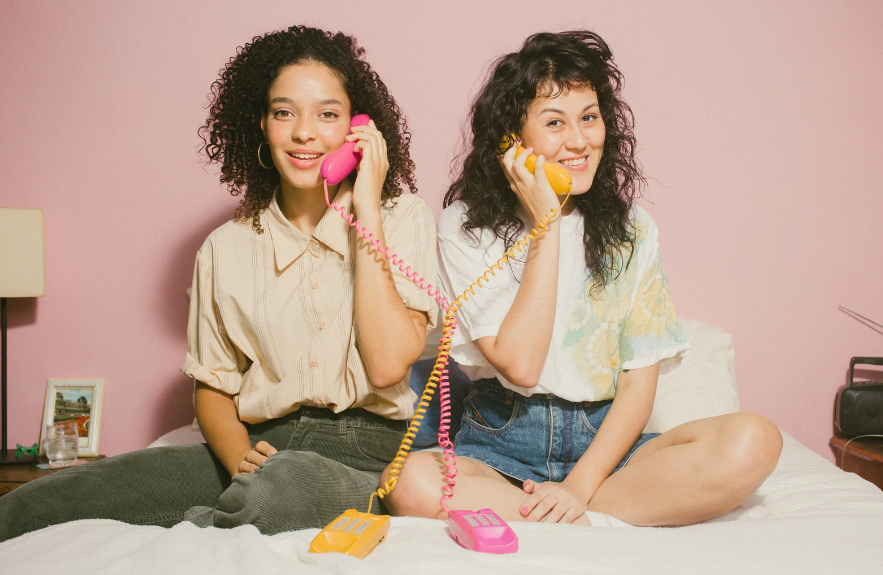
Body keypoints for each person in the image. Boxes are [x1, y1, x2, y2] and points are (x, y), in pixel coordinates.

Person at [0, 25, 436, 541]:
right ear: (262, 125)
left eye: (327, 114)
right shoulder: (223, 248)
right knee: (52, 499)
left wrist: (367, 208)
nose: (303, 133)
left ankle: (202, 532)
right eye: (283, 112)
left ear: (358, 129)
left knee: (279, 492)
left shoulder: (400, 217)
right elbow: (212, 388)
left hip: (365, 453)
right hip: (258, 444)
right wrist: (238, 459)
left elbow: (388, 366)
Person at [382, 30, 782, 527]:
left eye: (589, 118)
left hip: (607, 451)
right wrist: (545, 225)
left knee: (756, 440)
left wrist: (580, 485)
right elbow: (522, 367)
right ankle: (584, 520)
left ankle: (576, 512)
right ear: (512, 139)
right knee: (409, 482)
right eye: (555, 123)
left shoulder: (632, 229)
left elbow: (638, 383)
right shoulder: (465, 226)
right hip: (502, 444)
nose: (579, 140)